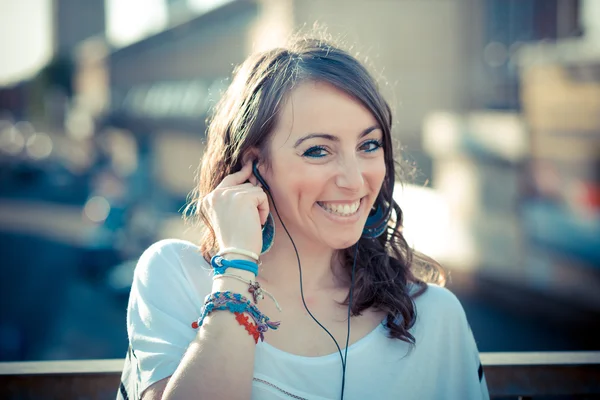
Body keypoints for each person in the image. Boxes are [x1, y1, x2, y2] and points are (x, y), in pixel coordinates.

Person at [117, 36, 490, 400]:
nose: (354, 179)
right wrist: (236, 269)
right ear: (254, 166)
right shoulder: (175, 276)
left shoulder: (433, 316)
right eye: (318, 151)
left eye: (368, 145)